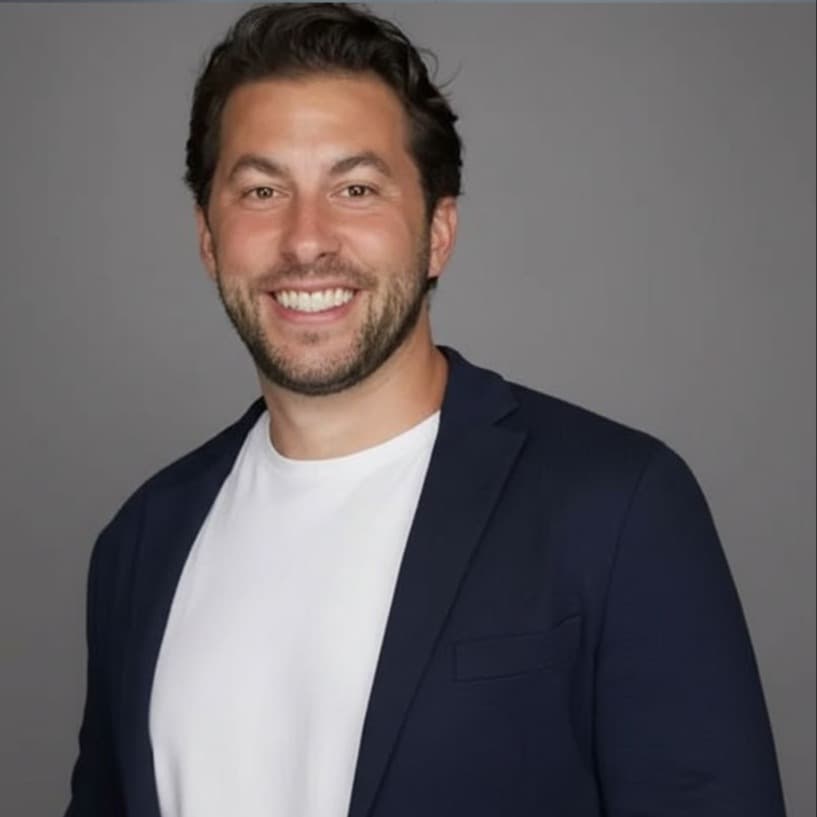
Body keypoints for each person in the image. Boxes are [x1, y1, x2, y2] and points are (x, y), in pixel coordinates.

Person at [64, 4, 787, 816]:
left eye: (356, 188)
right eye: (262, 191)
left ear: (437, 231)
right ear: (207, 237)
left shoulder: (616, 506)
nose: (306, 240)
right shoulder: (141, 542)